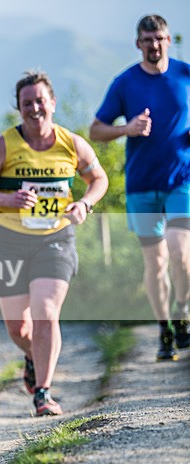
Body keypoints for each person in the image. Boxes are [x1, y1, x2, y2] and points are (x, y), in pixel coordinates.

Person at [0, 70, 108, 416]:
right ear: (18, 107)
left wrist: (84, 203)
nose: (34, 108)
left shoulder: (72, 143)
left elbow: (99, 178)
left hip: (54, 239)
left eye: (40, 101)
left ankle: (43, 392)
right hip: (7, 241)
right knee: (19, 328)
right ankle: (31, 354)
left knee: (46, 313)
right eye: (26, 103)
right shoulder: (3, 145)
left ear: (53, 103)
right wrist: (7, 199)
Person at [89, 14, 190, 362]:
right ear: (137, 43)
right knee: (156, 261)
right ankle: (164, 328)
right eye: (147, 40)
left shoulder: (185, 74)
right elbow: (96, 130)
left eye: (159, 38)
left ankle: (182, 310)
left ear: (169, 39)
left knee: (180, 251)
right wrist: (126, 129)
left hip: (182, 180)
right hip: (142, 185)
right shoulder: (124, 83)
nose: (154, 45)